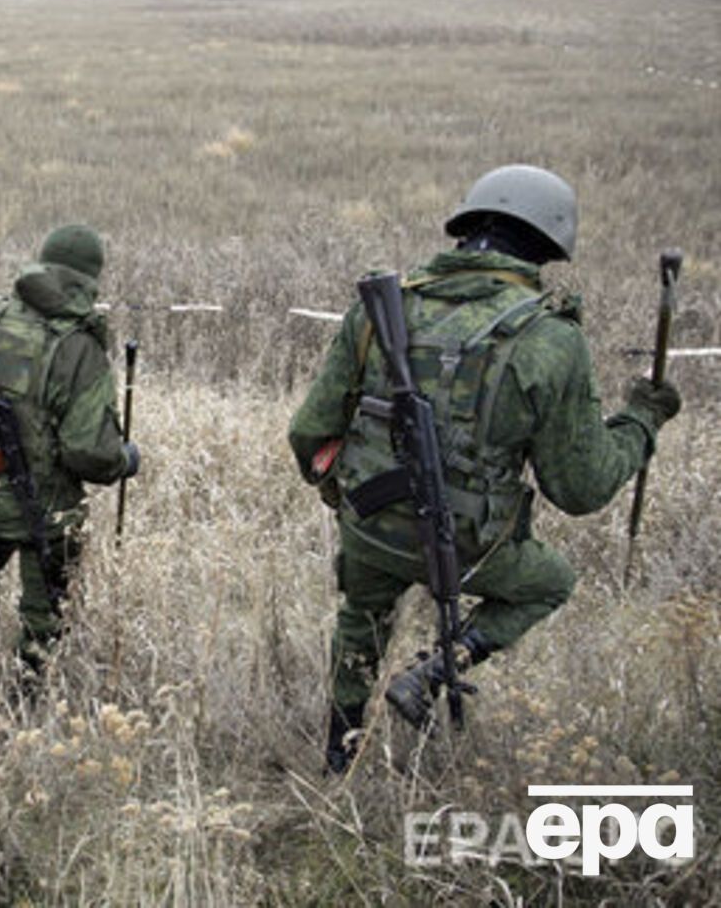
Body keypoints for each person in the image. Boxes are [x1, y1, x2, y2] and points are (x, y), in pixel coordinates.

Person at [288, 165, 682, 775]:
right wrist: (640, 422)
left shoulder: (387, 307)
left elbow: (308, 433)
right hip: (469, 541)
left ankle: (338, 760)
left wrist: (345, 497)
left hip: (369, 524)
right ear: (549, 245)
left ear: (467, 226)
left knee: (360, 624)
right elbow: (580, 488)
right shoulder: (549, 338)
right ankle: (443, 665)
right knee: (550, 579)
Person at [0, 224, 141, 675]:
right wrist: (125, 460)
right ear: (90, 280)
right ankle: (30, 695)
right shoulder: (78, 349)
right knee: (45, 616)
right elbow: (89, 455)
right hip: (48, 514)